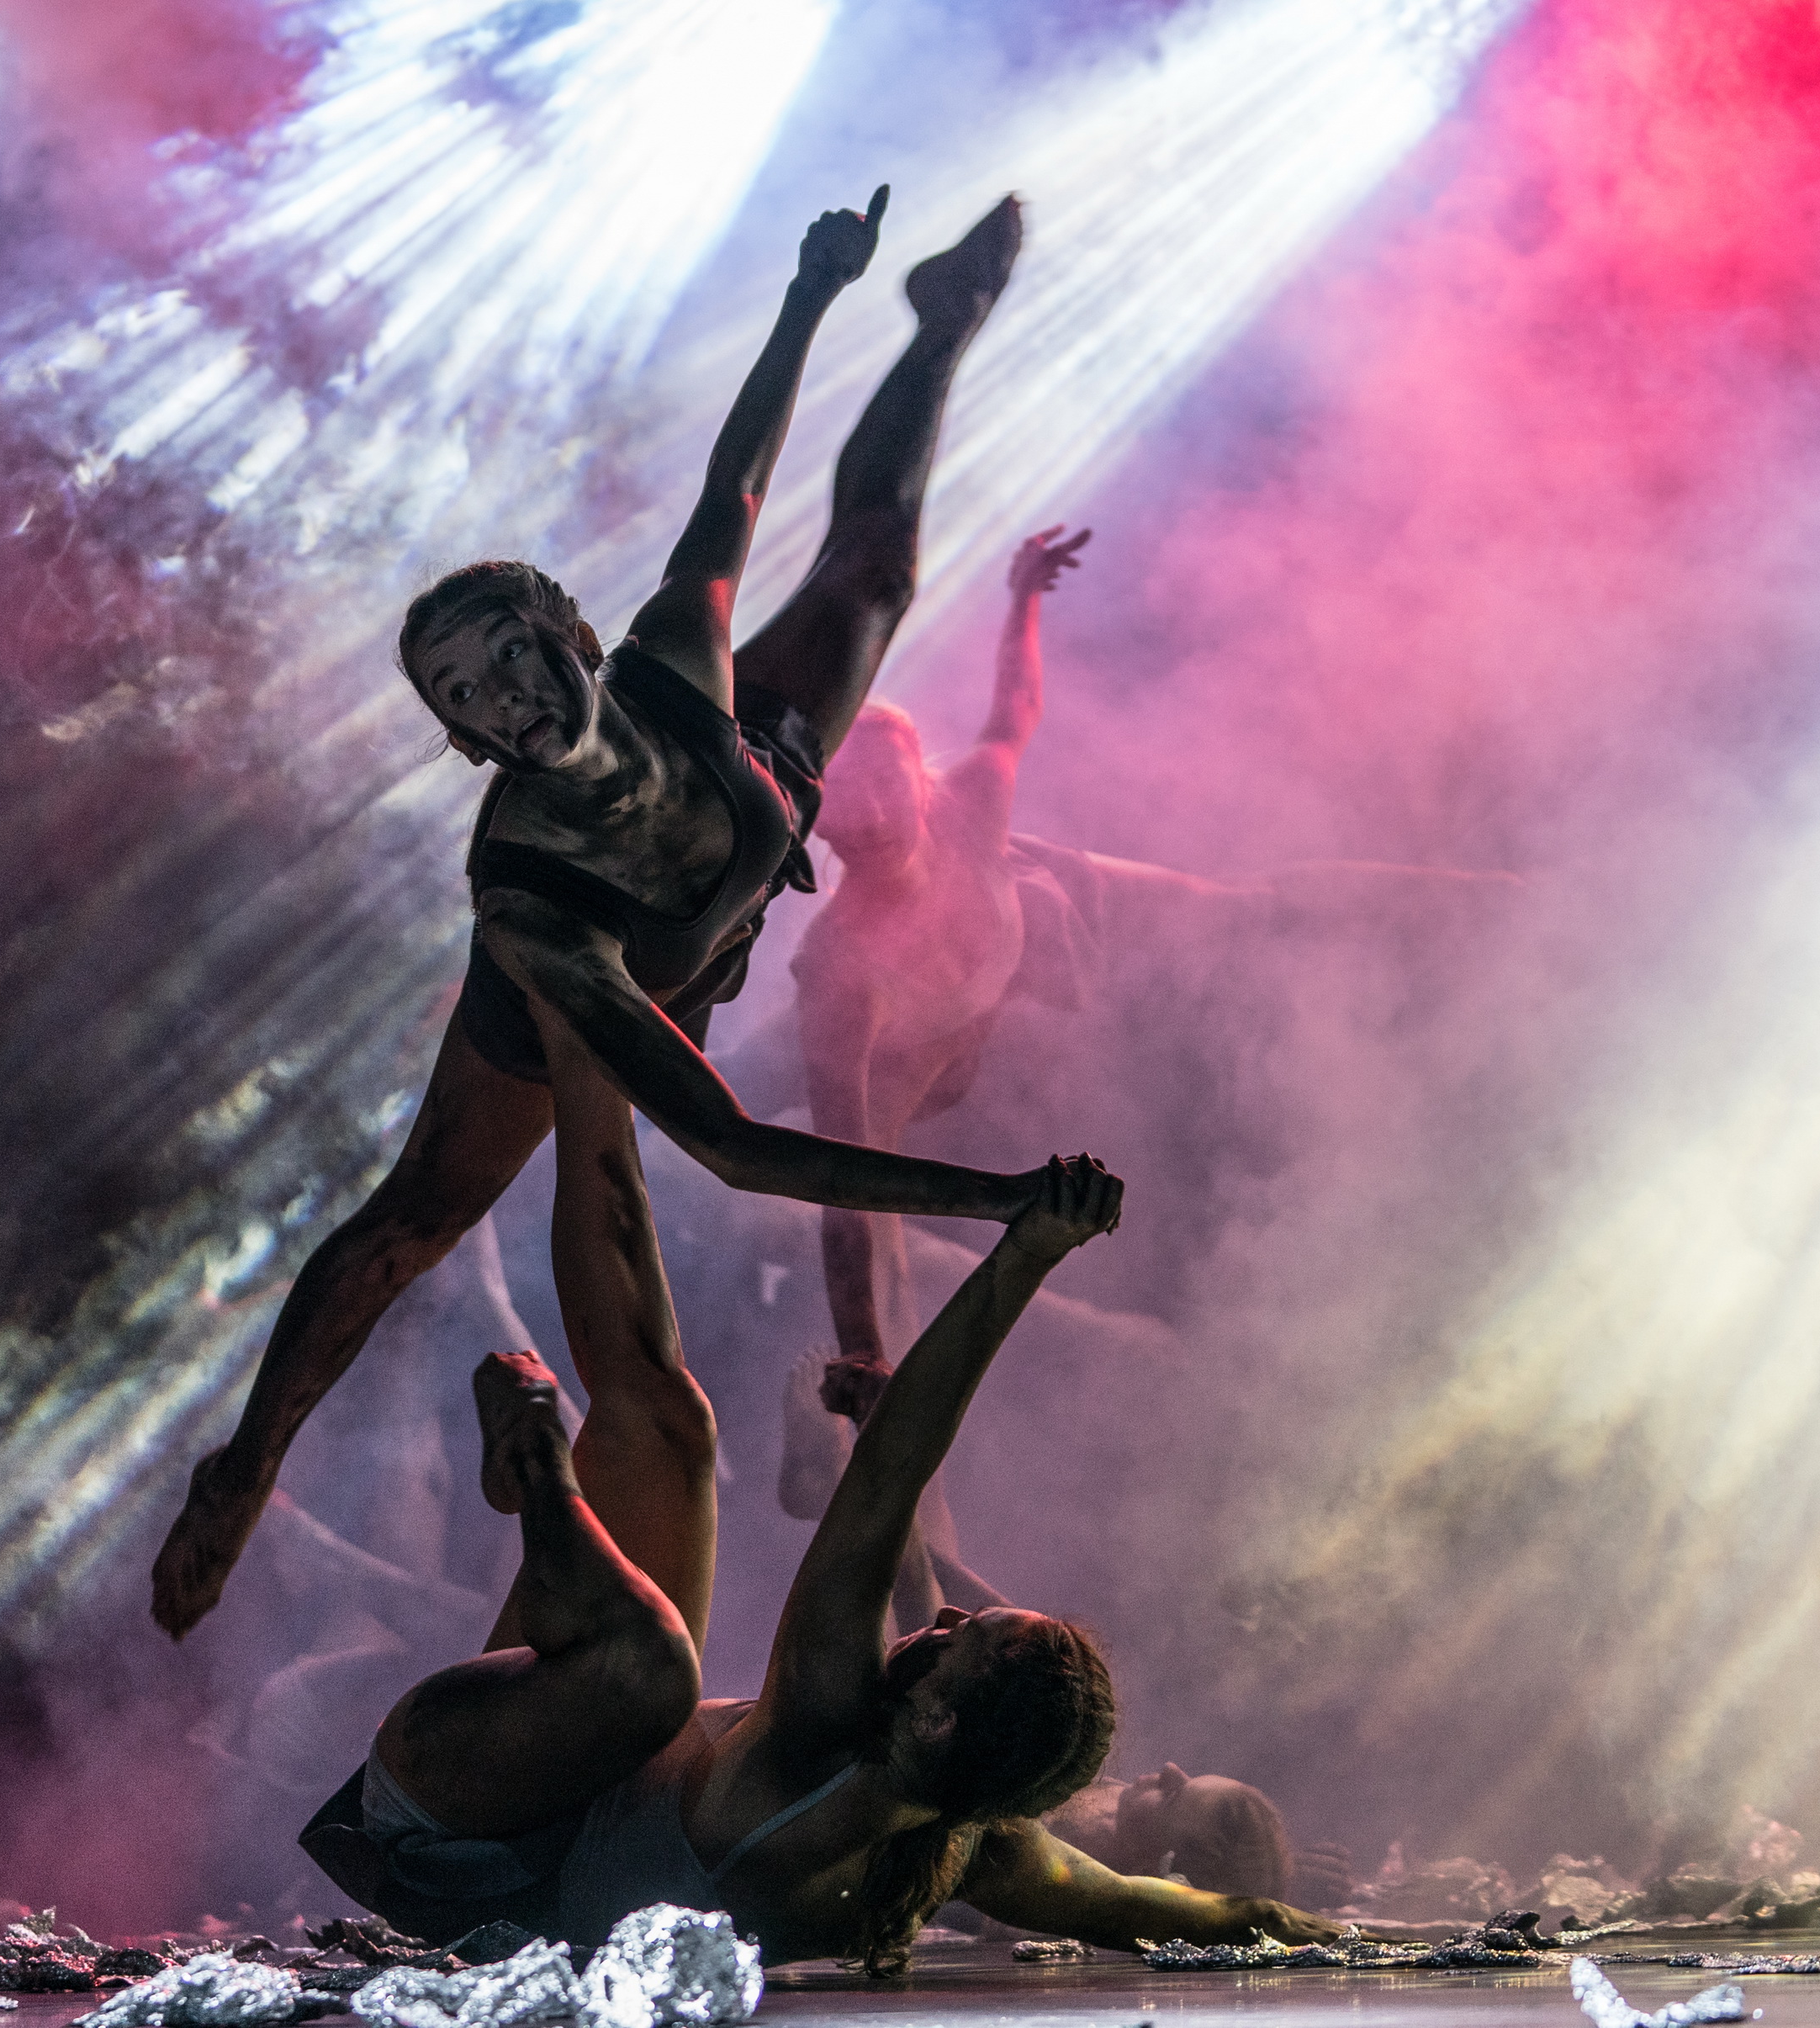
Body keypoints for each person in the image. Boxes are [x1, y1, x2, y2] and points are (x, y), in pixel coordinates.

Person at [154, 189, 1066, 1639]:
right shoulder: (532, 904)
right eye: (465, 698)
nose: (501, 698)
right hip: (595, 985)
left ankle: (941, 322)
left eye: (509, 656)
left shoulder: (673, 649)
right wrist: (1006, 1199)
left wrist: (814, 291)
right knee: (417, 1216)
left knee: (876, 568)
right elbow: (731, 1143)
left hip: (746, 787)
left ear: (574, 635)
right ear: (467, 742)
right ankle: (244, 1462)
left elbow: (739, 481)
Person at [299, 1062, 1342, 1969]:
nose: (941, 1621)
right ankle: (584, 1058)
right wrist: (1353, 1937)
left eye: (960, 1641)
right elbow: (1167, 1909)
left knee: (653, 1667)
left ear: (935, 1720)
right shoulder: (972, 1841)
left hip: (445, 1821)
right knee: (671, 1426)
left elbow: (890, 1473)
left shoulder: (821, 1728)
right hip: (537, 1794)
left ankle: (536, 1465)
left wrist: (1026, 1254)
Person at [789, 525, 1519, 1376]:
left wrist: (1024, 597)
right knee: (856, 1175)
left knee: (1248, 903)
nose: (872, 816)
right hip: (936, 1044)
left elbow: (1016, 705)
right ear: (814, 819)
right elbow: (839, 1190)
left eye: (883, 782)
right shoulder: (841, 974)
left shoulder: (971, 804)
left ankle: (1485, 891)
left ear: (920, 778)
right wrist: (861, 1347)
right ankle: (876, 1392)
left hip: (1029, 920)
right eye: (843, 797)